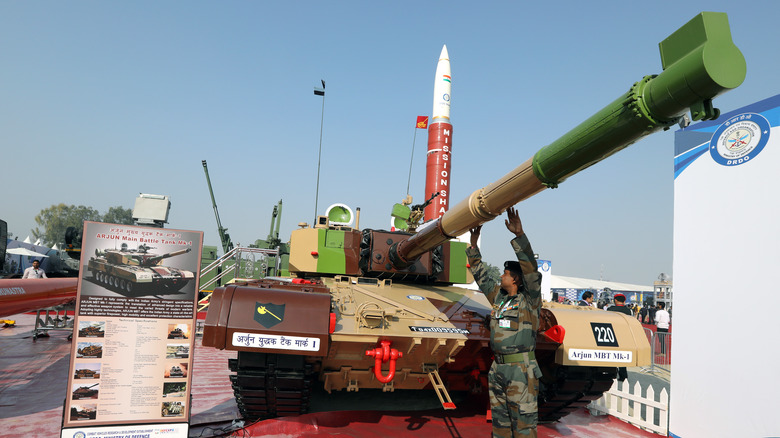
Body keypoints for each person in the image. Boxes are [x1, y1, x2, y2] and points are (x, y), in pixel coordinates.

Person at [467, 207, 542, 438]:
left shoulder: (529, 300)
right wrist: (473, 242)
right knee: (500, 425)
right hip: (498, 367)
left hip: (521, 370)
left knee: (523, 425)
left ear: (516, 278)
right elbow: (480, 274)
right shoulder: (499, 297)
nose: (501, 276)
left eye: (505, 273)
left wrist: (519, 237)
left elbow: (531, 270)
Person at [606, 294, 632, 381]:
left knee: (610, 354)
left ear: (615, 300)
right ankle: (623, 375)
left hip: (611, 334)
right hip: (624, 335)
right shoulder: (628, 311)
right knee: (622, 356)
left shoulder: (610, 310)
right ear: (624, 301)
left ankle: (611, 373)